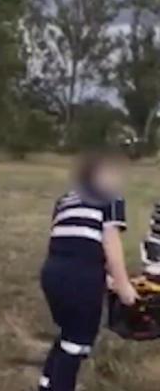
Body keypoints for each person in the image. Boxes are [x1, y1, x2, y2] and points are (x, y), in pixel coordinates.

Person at [37, 151, 138, 391]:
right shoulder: (110, 198)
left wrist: (108, 277)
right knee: (78, 343)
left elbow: (74, 240)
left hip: (53, 273)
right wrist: (124, 286)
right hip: (82, 278)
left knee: (67, 332)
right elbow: (110, 241)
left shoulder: (65, 199)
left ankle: (46, 384)